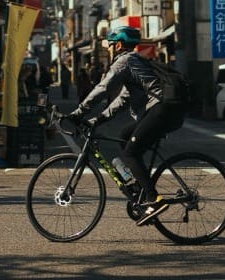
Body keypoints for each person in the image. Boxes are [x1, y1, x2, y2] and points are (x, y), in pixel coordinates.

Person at [66, 26, 187, 226]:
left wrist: (79, 112)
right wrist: (98, 120)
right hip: (162, 109)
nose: (111, 49)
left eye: (112, 45)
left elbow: (104, 88)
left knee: (131, 152)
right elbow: (123, 99)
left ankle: (153, 199)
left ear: (119, 44)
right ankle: (140, 186)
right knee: (124, 136)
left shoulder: (125, 60)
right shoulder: (135, 63)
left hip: (161, 109)